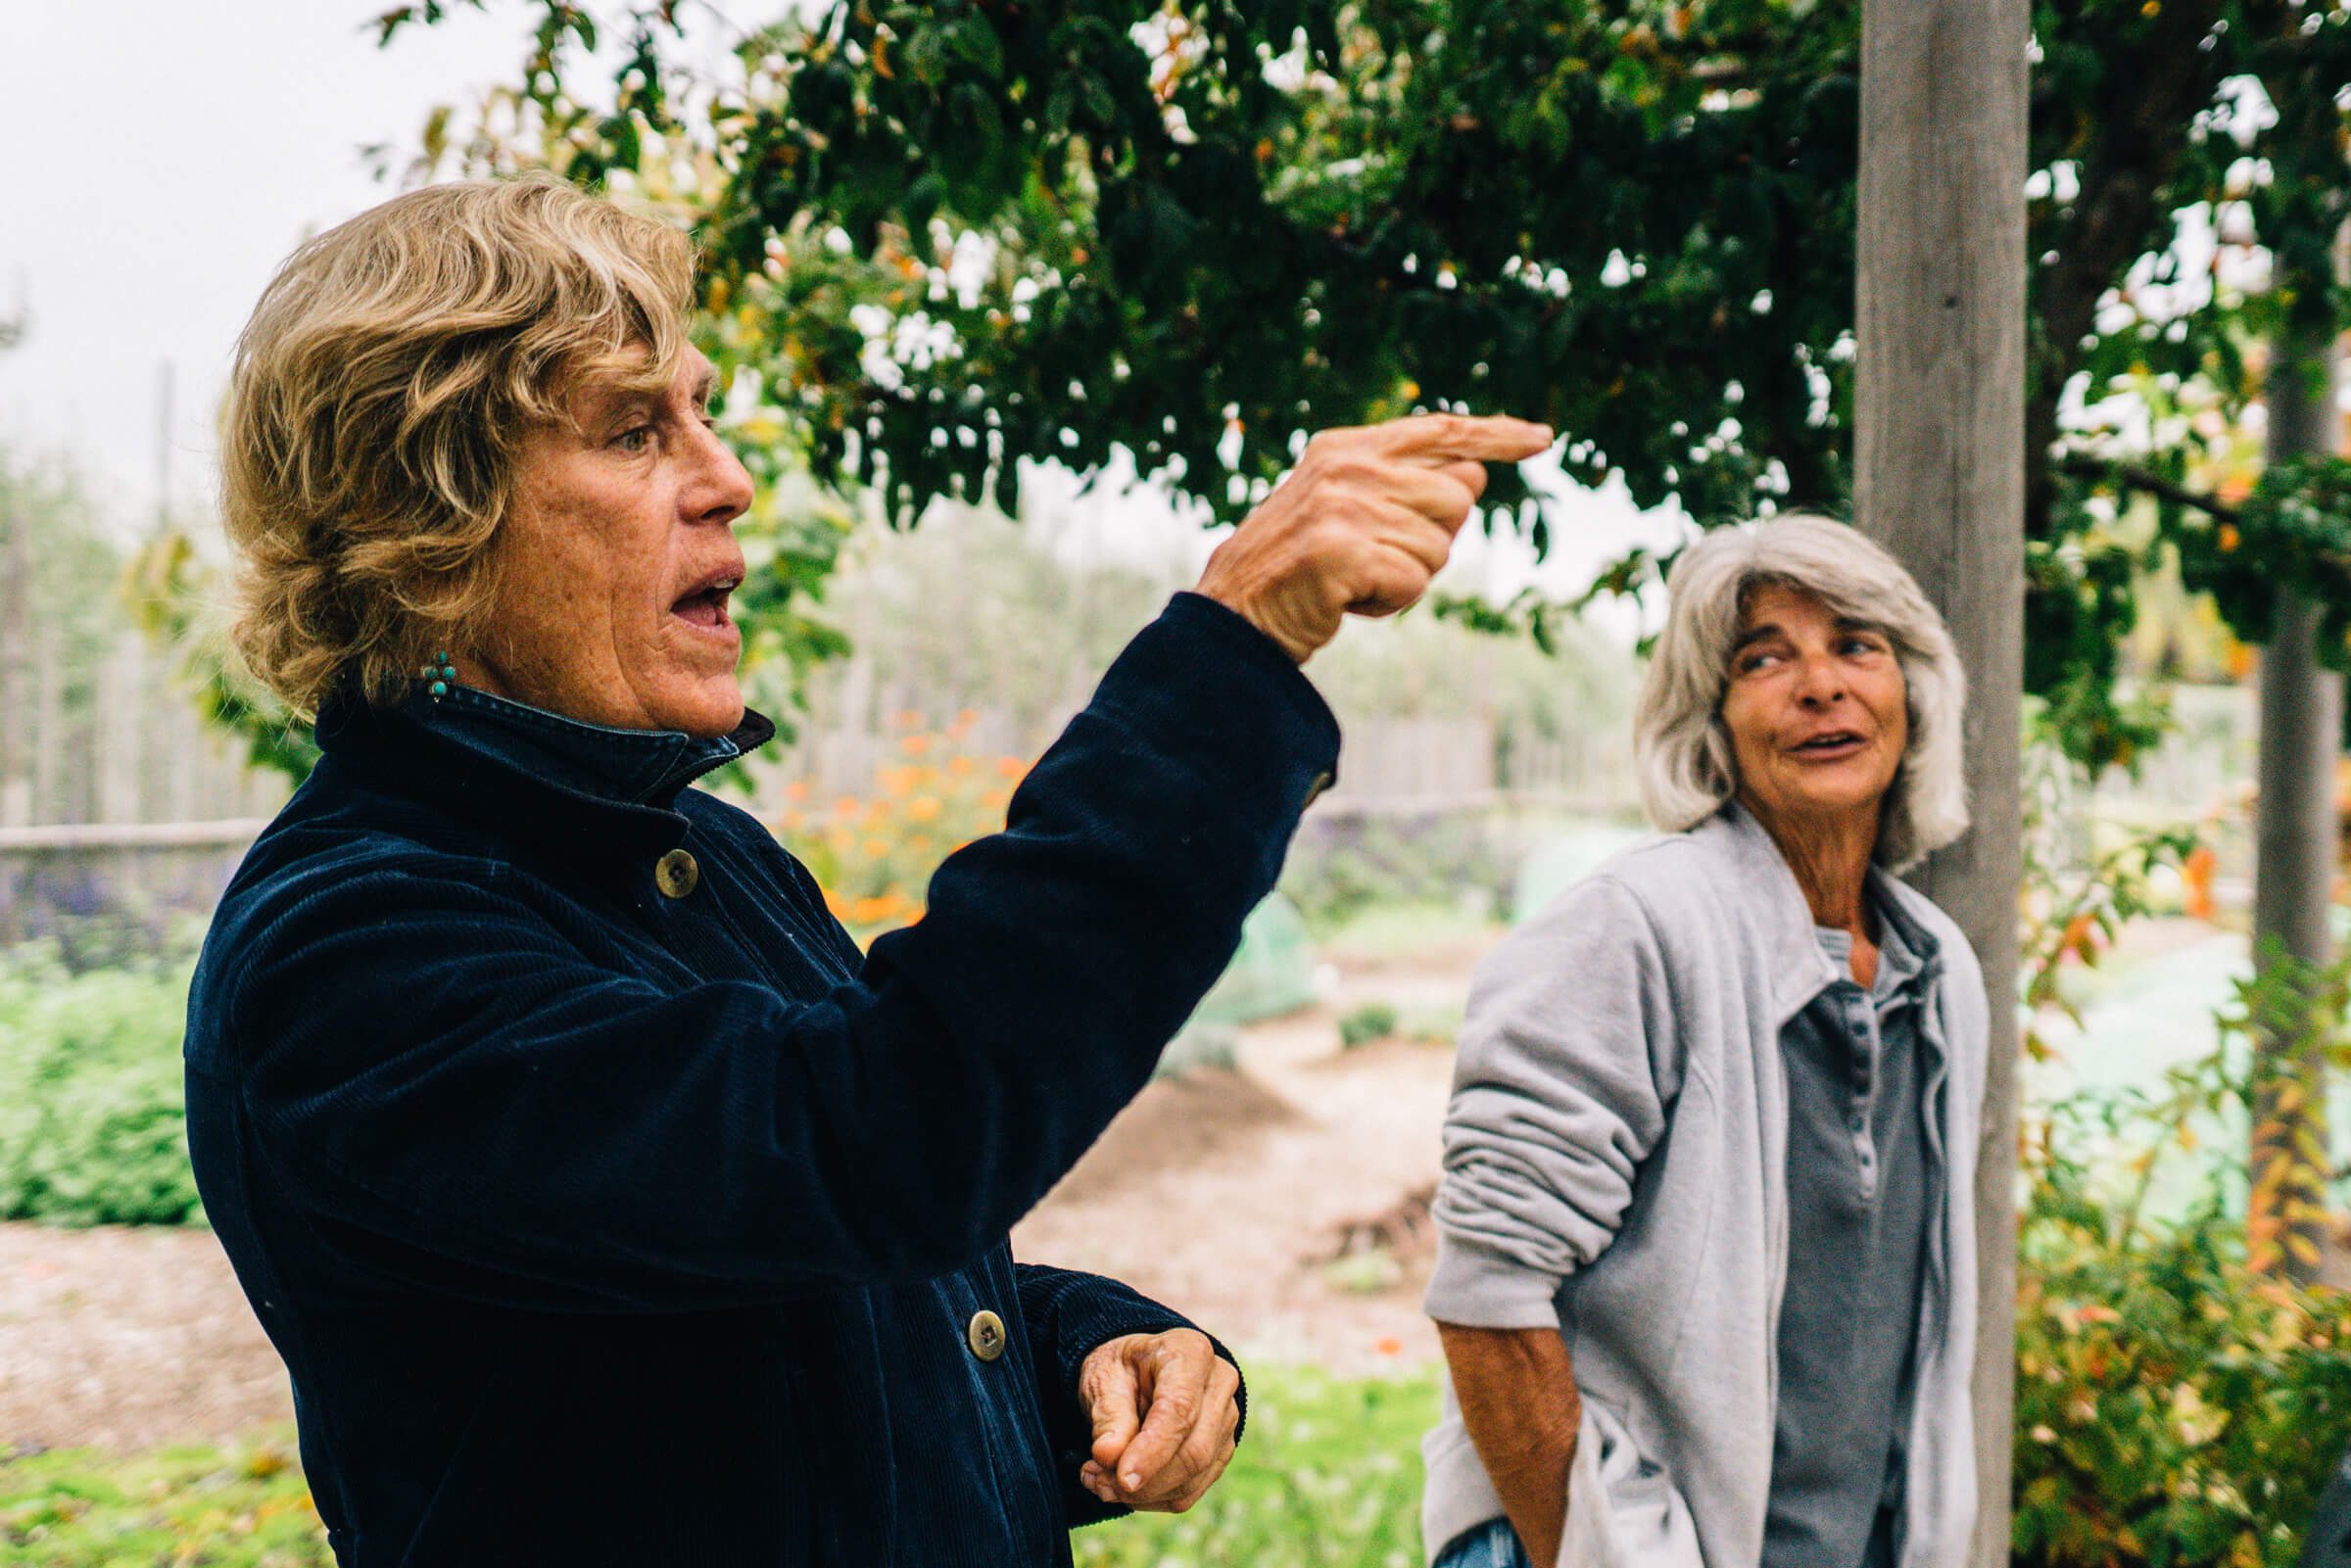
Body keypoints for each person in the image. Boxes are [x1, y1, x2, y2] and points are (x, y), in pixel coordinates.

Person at [180, 173, 1553, 1568]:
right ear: (429, 519)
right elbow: (876, 1135)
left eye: (702, 412)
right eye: (634, 430)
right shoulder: (350, 949)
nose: (727, 480)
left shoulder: (708, 858)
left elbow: (783, 1311)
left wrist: (1080, 1343)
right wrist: (1236, 649)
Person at [1418, 515, 1990, 1568]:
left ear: (1914, 693)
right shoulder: (1633, 924)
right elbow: (1487, 1294)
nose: (1820, 684)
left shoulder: (1939, 967)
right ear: (1713, 721)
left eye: (1856, 645)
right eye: (1764, 657)